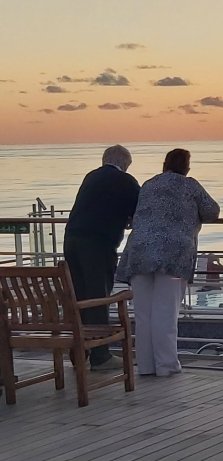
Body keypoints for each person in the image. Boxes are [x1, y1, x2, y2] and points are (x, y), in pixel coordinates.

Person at [115, 149, 220, 377]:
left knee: (143, 314)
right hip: (173, 255)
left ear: (165, 164)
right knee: (166, 312)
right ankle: (166, 365)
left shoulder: (149, 184)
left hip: (139, 252)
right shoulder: (190, 185)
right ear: (186, 167)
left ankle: (146, 366)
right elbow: (212, 211)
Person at [63, 145, 141, 371]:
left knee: (79, 294)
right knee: (98, 296)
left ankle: (80, 350)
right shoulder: (126, 181)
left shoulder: (91, 177)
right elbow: (139, 211)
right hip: (97, 244)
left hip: (72, 239)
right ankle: (100, 356)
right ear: (124, 163)